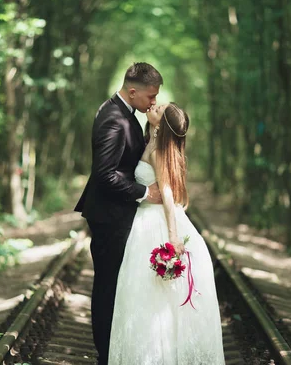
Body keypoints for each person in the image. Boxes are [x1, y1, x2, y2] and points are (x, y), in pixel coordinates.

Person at [108, 103, 225, 365]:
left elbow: (168, 196)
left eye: (158, 108)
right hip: (144, 220)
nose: (153, 105)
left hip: (155, 223)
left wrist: (172, 236)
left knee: (155, 296)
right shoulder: (148, 141)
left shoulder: (159, 152)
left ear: (161, 124)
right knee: (146, 294)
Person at [74, 62, 164, 365]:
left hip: (117, 215)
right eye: (151, 96)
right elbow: (105, 175)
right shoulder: (114, 119)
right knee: (108, 287)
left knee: (117, 285)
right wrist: (144, 193)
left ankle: (115, 350)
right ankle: (106, 355)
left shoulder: (125, 113)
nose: (154, 102)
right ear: (133, 90)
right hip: (110, 218)